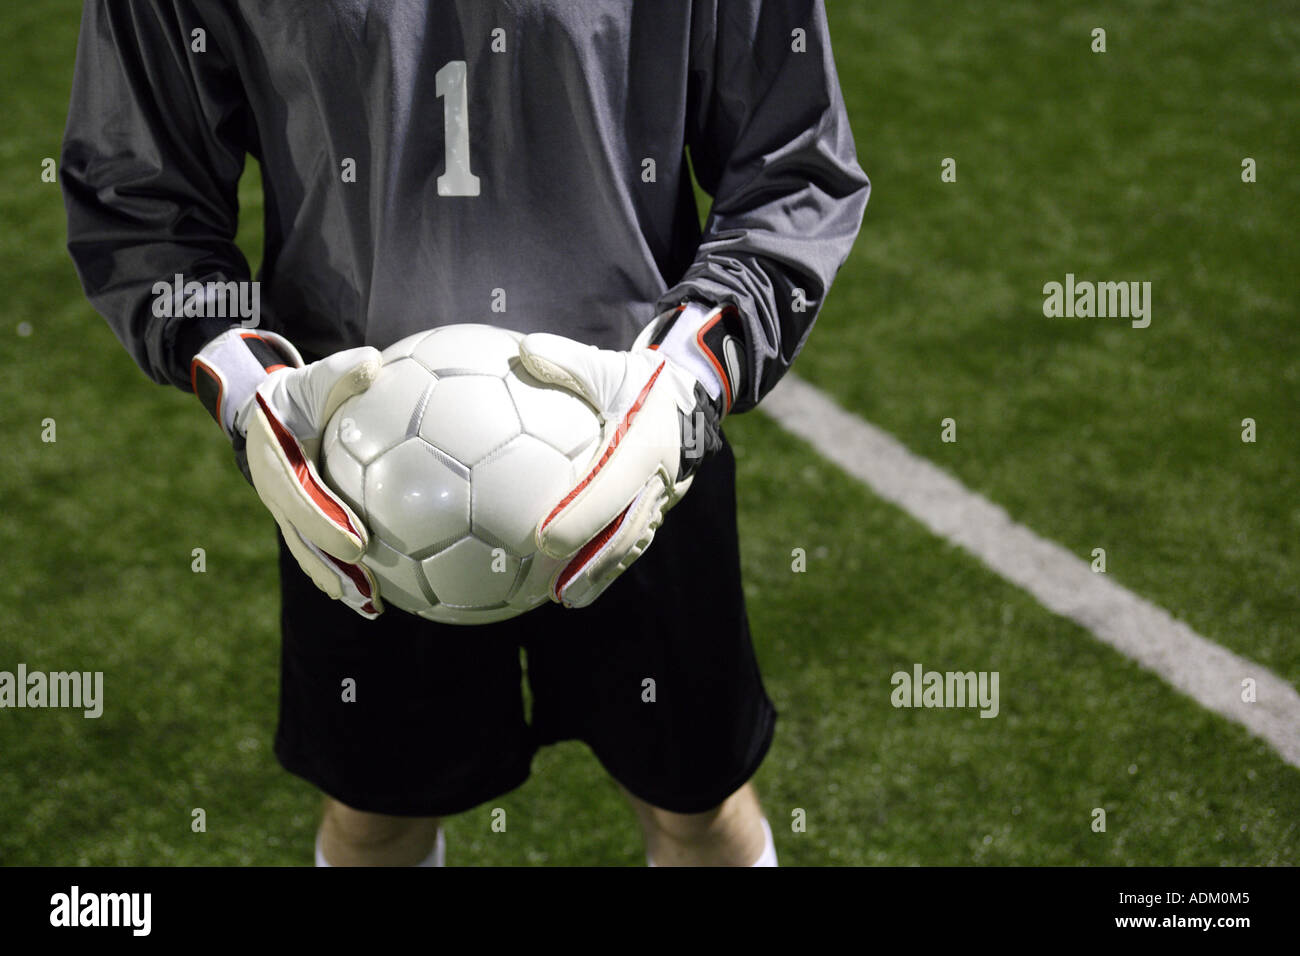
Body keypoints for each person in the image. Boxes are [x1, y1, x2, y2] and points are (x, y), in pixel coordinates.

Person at [61, 0, 868, 866]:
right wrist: (251, 388)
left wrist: (685, 378)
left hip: (636, 444)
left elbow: (791, 163)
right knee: (379, 815)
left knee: (695, 804)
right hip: (361, 470)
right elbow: (142, 200)